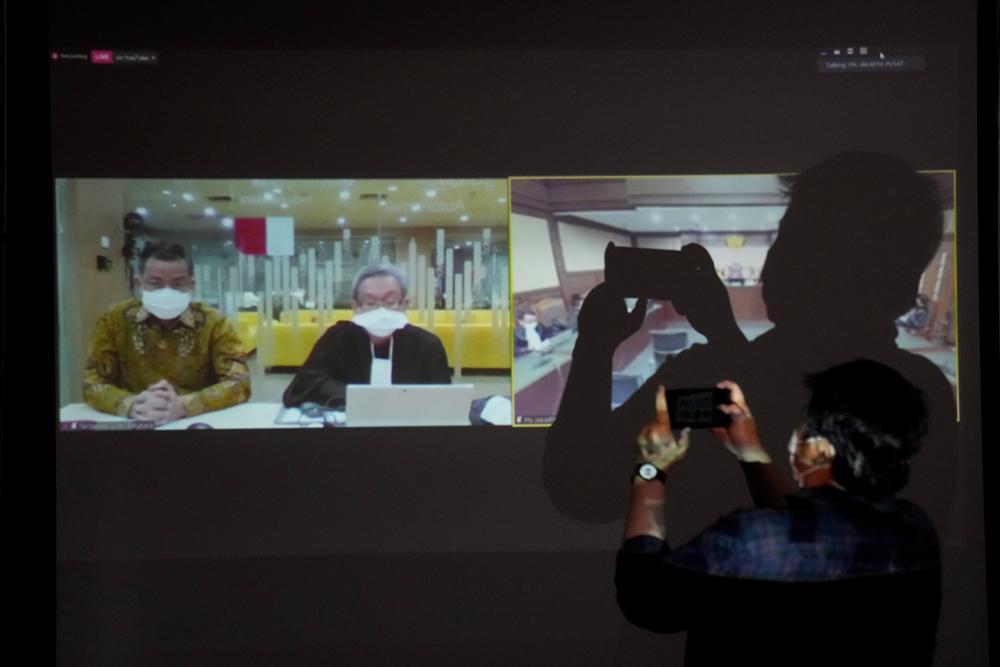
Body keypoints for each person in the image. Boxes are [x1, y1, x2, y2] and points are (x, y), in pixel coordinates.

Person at [545, 152, 956, 547]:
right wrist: (724, 334)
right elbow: (780, 389)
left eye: (790, 237)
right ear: (903, 292)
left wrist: (596, 345)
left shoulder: (703, 389)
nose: (772, 261)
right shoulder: (926, 392)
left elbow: (582, 487)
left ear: (802, 263)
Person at [615, 360, 941, 665]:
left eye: (805, 426)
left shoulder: (750, 540)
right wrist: (749, 450)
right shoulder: (916, 529)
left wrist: (650, 470)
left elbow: (645, 598)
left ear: (821, 448)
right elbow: (800, 531)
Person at [82, 241, 251, 424]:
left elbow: (240, 383)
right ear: (139, 284)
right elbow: (93, 383)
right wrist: (131, 405)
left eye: (177, 284)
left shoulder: (214, 322)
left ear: (191, 285)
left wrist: (185, 405)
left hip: (195, 425)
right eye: (156, 283)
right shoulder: (114, 320)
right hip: (134, 424)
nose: (167, 291)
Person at [282, 264, 451, 408]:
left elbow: (445, 400)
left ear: (404, 304)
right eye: (370, 303)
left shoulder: (426, 344)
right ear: (356, 306)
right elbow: (304, 385)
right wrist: (366, 399)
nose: (380, 311)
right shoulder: (338, 337)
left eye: (390, 302)